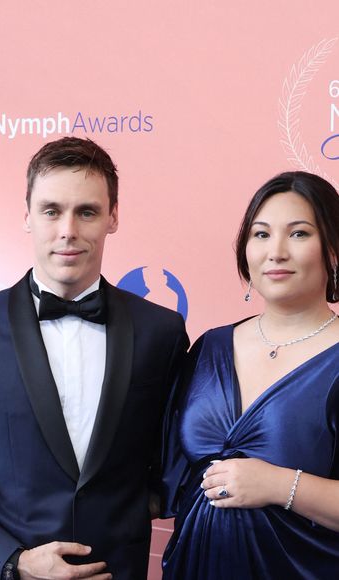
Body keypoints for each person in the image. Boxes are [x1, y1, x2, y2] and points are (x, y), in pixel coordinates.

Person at [0, 136, 189, 580]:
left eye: (87, 212)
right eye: (52, 210)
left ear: (113, 217)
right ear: (27, 216)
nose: (68, 231)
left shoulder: (162, 332)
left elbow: (171, 459)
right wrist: (13, 562)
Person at [161, 171, 339, 579]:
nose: (275, 252)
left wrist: (280, 485)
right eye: (261, 235)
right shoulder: (209, 347)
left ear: (333, 249)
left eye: (298, 234)